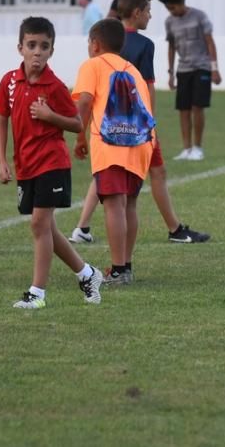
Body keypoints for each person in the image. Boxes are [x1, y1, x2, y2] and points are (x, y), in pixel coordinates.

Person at [69, 0, 210, 245]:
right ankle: (173, 230)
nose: (150, 16)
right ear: (137, 12)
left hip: (105, 129)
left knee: (106, 178)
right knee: (148, 180)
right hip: (138, 129)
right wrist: (151, 126)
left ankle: (83, 227)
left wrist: (82, 135)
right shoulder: (143, 45)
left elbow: (89, 94)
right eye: (148, 11)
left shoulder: (103, 43)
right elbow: (146, 87)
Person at [0, 17, 103, 309]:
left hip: (52, 162)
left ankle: (37, 293)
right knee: (46, 228)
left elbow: (77, 124)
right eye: (32, 45)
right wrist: (2, 160)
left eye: (44, 46)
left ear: (52, 50)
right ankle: (87, 273)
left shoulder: (54, 86)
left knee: (39, 225)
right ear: (20, 48)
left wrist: (50, 116)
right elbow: (1, 119)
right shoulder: (9, 82)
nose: (37, 52)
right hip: (26, 164)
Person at [72, 16, 155, 285]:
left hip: (110, 144)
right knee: (129, 203)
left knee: (113, 204)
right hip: (141, 144)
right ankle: (126, 266)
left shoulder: (92, 65)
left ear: (95, 44)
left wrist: (79, 137)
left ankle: (118, 271)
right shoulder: (133, 70)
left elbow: (84, 103)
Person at [159, 0, 220, 161]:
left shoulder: (199, 17)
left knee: (197, 107)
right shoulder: (169, 22)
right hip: (183, 69)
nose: (171, 11)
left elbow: (210, 43)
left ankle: (198, 148)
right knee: (183, 109)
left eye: (172, 7)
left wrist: (214, 68)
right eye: (168, 9)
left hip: (201, 67)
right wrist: (170, 73)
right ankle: (186, 149)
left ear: (181, 2)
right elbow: (171, 47)